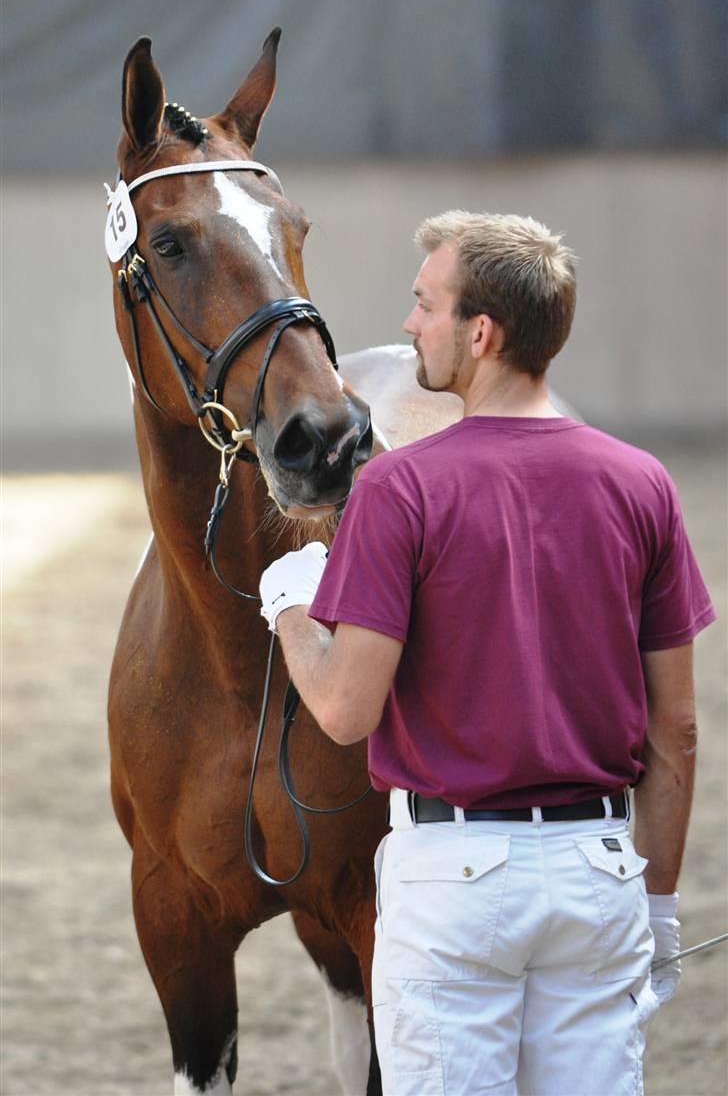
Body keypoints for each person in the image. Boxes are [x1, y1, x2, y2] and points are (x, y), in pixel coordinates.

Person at [259, 211, 715, 1096]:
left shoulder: (398, 488)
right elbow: (680, 728)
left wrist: (290, 608)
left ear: (481, 332)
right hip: (600, 873)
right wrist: (655, 905)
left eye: (424, 304)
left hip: (456, 883)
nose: (407, 325)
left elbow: (347, 710)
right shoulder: (642, 482)